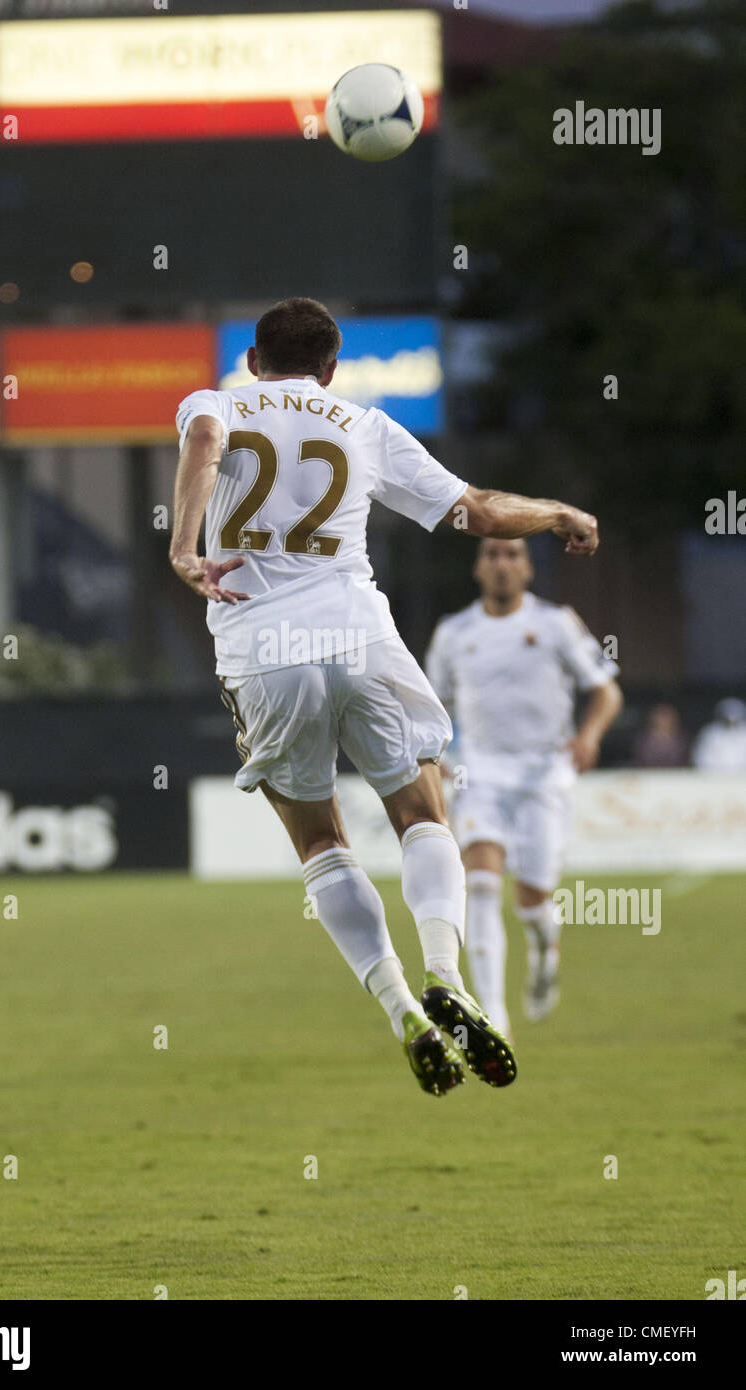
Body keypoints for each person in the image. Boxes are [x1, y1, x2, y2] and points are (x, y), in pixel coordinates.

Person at [170, 297, 599, 1098]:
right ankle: (445, 970)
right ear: (332, 369)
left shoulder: (215, 402)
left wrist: (185, 548)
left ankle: (400, 1002)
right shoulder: (364, 425)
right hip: (358, 635)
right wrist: (557, 514)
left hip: (261, 648)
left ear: (253, 361)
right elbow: (473, 511)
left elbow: (202, 440)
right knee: (422, 814)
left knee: (321, 843)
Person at [425, 538, 622, 1036]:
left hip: (543, 776)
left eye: (512, 555)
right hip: (479, 775)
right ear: (478, 567)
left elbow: (606, 690)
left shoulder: (556, 624)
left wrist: (589, 735)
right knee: (484, 885)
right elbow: (428, 706)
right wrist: (441, 756)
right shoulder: (453, 633)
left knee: (532, 903)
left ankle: (543, 950)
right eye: (491, 554)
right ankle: (493, 1018)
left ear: (528, 568)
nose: (501, 565)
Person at [693, 698, 746, 773]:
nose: (731, 722)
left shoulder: (744, 733)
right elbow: (702, 758)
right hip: (715, 778)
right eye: (727, 719)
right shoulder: (710, 733)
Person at [633, 703, 690, 768]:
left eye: (667, 715)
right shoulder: (642, 739)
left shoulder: (683, 739)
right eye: (661, 715)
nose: (664, 720)